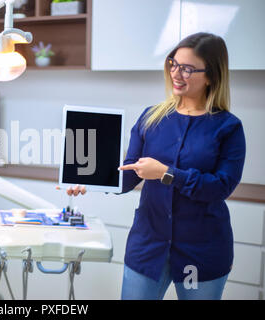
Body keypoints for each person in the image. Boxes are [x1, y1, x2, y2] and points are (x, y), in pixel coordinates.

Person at [65, 32, 246, 300]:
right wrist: (90, 180)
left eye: (187, 68)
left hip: (202, 253)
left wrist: (167, 174)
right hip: (148, 248)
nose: (176, 73)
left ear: (211, 76)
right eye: (173, 63)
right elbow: (129, 174)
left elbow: (220, 187)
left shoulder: (228, 127)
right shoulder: (152, 117)